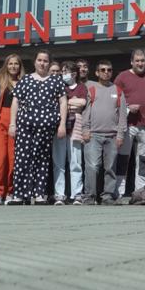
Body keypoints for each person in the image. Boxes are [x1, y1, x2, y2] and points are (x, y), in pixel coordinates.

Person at [9, 49, 68, 204]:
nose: (42, 63)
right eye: (40, 60)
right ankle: (19, 194)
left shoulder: (56, 81)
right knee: (22, 159)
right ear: (35, 62)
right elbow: (15, 101)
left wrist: (62, 124)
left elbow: (63, 102)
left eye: (45, 61)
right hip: (25, 126)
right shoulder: (25, 79)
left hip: (46, 128)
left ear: (49, 63)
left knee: (42, 160)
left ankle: (39, 194)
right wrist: (12, 124)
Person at [82, 60, 127, 205]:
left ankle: (107, 196)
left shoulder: (118, 90)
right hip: (93, 135)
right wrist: (85, 129)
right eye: (103, 70)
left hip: (112, 136)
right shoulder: (91, 90)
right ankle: (90, 196)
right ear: (97, 73)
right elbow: (86, 112)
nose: (106, 72)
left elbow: (122, 115)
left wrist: (120, 135)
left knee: (110, 168)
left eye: (109, 70)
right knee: (92, 167)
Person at [115, 49, 145, 196]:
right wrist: (127, 107)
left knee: (144, 159)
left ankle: (140, 192)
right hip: (127, 125)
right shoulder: (122, 77)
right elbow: (115, 98)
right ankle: (119, 192)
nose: (140, 63)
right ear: (131, 62)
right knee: (123, 158)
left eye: (142, 61)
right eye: (137, 61)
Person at [54, 61, 86, 204]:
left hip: (75, 129)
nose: (63, 74)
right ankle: (59, 194)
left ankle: (76, 194)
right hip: (60, 128)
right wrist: (72, 102)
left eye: (65, 71)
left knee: (75, 162)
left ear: (73, 74)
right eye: (62, 71)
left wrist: (65, 103)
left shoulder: (81, 87)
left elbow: (83, 103)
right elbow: (56, 103)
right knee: (59, 162)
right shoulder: (59, 86)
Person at [0, 54, 23, 205]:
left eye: (16, 64)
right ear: (6, 65)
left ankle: (11, 191)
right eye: (10, 64)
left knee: (13, 159)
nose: (13, 66)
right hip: (0, 122)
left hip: (17, 123)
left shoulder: (24, 82)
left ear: (20, 66)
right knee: (1, 158)